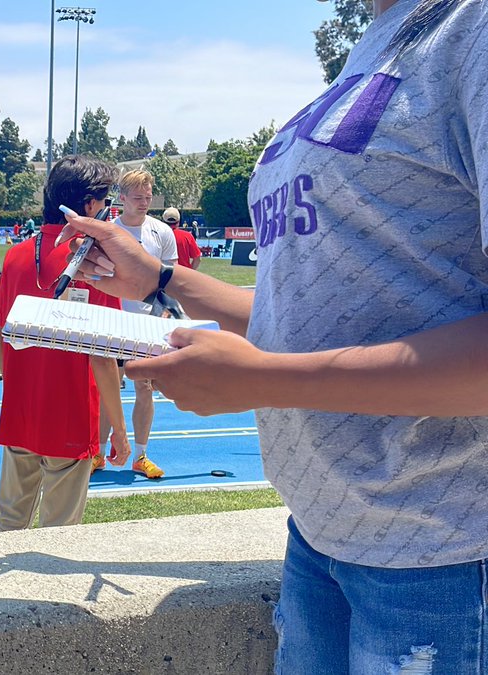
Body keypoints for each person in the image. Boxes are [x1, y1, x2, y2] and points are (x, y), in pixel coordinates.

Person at [59, 1, 487, 670]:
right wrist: (162, 279)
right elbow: (310, 306)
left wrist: (262, 381)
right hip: (322, 535)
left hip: (444, 555)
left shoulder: (472, 29)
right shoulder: (378, 44)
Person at [0, 155, 131, 532]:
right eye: (105, 202)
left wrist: (20, 386)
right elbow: (102, 357)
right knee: (60, 532)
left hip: (21, 411)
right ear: (87, 205)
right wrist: (118, 427)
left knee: (8, 522)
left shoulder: (18, 254)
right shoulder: (94, 263)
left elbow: (2, 338)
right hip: (71, 414)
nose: (108, 210)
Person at [96, 170, 177, 480]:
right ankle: (99, 453)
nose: (144, 202)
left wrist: (164, 317)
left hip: (148, 325)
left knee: (144, 388)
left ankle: (140, 455)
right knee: (108, 389)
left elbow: (172, 280)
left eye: (148, 197)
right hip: (113, 321)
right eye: (138, 197)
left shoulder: (162, 233)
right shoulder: (107, 231)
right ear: (123, 198)